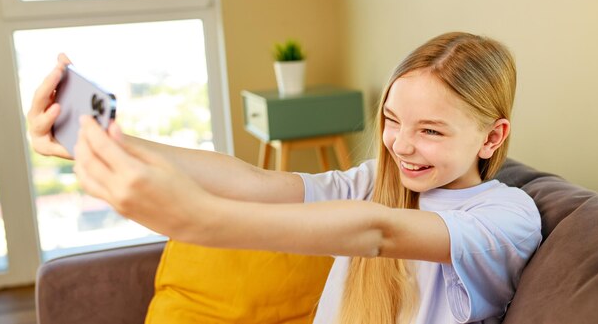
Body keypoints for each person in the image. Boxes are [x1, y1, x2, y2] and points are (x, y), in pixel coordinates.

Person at [28, 32, 541, 324]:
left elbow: (379, 235)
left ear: (492, 138)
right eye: (391, 119)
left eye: (430, 130)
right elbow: (256, 183)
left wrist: (204, 221)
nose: (402, 145)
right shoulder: (375, 182)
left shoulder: (507, 217)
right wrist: (103, 141)